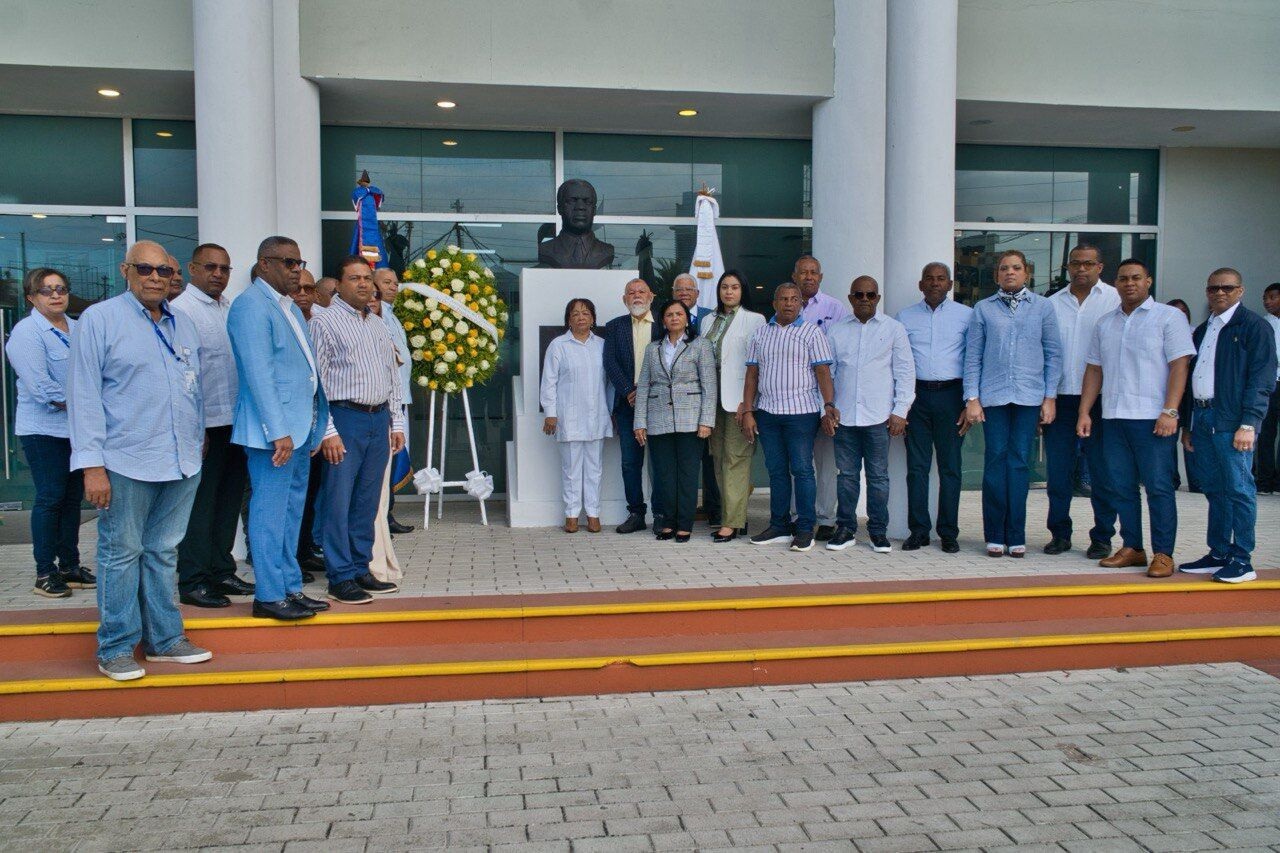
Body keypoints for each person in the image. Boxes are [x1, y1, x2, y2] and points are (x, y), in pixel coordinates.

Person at [68, 240, 212, 681]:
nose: (155, 277)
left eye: (164, 272)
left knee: (163, 551)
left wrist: (198, 434)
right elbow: (84, 394)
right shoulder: (99, 319)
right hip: (126, 459)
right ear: (126, 270)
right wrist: (92, 465)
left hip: (181, 458)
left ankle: (166, 640)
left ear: (173, 277)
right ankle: (115, 647)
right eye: (145, 269)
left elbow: (193, 386)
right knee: (120, 552)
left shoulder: (183, 323)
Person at [228, 238, 331, 620]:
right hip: (274, 435)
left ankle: (290, 587)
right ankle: (268, 595)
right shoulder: (252, 306)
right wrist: (278, 431)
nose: (295, 269)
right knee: (270, 514)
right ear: (264, 264)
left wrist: (313, 426)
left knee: (291, 513)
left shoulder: (286, 306)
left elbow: (304, 373)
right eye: (288, 262)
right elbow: (259, 375)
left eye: (298, 261)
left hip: (299, 430)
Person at [1077, 259, 1194, 578]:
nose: (1129, 283)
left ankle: (1164, 553)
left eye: (1136, 278)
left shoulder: (1169, 318)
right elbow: (1094, 369)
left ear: (1148, 281)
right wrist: (1085, 411)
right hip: (1113, 417)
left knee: (1158, 487)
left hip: (1154, 419)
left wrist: (1170, 410)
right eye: (1123, 279)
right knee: (1121, 487)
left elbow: (1179, 367)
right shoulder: (1105, 323)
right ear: (1116, 283)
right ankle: (1133, 548)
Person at [310, 256, 406, 605]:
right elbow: (315, 382)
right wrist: (327, 431)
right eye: (355, 278)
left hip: (377, 419)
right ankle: (340, 575)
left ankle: (360, 565)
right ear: (340, 283)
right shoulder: (325, 322)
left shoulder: (378, 324)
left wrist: (395, 422)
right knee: (339, 499)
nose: (364, 284)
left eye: (368, 278)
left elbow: (391, 376)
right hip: (344, 418)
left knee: (367, 500)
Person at [1178, 268, 1276, 584]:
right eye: (1213, 288)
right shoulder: (1204, 329)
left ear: (1241, 290)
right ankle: (1218, 553)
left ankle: (1242, 559)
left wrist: (1249, 423)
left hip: (1233, 420)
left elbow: (1261, 379)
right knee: (1215, 489)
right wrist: (1188, 425)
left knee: (1239, 489)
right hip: (1204, 418)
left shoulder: (1254, 327)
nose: (1220, 293)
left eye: (1227, 288)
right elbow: (1194, 378)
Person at [171, 243, 253, 608]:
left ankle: (221, 569)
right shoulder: (180, 311)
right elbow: (183, 377)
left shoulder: (229, 308)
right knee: (200, 505)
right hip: (203, 427)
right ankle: (193, 579)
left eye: (224, 268)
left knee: (228, 501)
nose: (218, 274)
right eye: (210, 267)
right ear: (192, 269)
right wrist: (198, 427)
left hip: (234, 422)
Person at [964, 249, 1062, 558]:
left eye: (1016, 268)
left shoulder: (1043, 308)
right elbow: (972, 356)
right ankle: (994, 534)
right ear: (996, 275)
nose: (1010, 272)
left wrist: (1050, 397)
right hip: (993, 396)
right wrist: (972, 398)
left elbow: (1053, 354)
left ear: (1027, 273)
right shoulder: (983, 309)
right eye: (1004, 268)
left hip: (1028, 396)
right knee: (995, 462)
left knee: (1019, 463)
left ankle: (1016, 534)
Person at [6, 268, 93, 598]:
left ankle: (70, 567)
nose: (56, 295)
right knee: (50, 498)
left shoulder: (77, 327)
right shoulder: (26, 333)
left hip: (75, 430)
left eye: (61, 289)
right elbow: (43, 389)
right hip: (43, 430)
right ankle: (45, 571)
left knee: (72, 500)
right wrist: (88, 403)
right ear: (31, 297)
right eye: (46, 291)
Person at [740, 283, 836, 552]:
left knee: (803, 471)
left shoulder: (812, 333)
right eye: (784, 299)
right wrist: (748, 410)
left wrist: (828, 405)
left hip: (801, 414)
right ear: (774, 303)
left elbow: (823, 373)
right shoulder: (760, 335)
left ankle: (805, 528)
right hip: (768, 413)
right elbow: (752, 376)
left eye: (794, 299)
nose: (789, 303)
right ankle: (779, 525)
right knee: (776, 471)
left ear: (801, 304)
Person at [822, 276, 915, 553]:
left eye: (870, 295)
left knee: (878, 477)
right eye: (859, 295)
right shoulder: (836, 331)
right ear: (850, 298)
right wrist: (825, 409)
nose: (865, 300)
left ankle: (877, 532)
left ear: (878, 298)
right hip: (845, 418)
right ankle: (846, 529)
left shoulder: (894, 329)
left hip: (878, 418)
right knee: (846, 476)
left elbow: (905, 373)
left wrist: (900, 411)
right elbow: (828, 374)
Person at [1044, 244, 1120, 558]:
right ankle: (1059, 534)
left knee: (1102, 474)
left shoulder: (1115, 300)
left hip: (1102, 401)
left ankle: (1102, 536)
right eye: (1075, 263)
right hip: (1060, 399)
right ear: (1067, 266)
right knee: (1058, 473)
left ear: (1100, 267)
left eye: (1088, 263)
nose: (1081, 269)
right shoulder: (1051, 303)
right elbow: (1044, 353)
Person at [896, 262, 972, 553]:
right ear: (920, 284)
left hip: (952, 396)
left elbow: (972, 360)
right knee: (917, 467)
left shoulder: (967, 316)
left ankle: (949, 532)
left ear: (950, 284)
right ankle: (919, 530)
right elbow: (900, 364)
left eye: (941, 279)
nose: (935, 283)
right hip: (917, 397)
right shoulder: (905, 317)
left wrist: (970, 401)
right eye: (929, 279)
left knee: (950, 467)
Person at [635, 300, 717, 541]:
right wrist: (639, 422)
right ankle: (668, 522)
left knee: (688, 474)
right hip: (658, 417)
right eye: (669, 314)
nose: (674, 318)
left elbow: (709, 386)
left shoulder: (700, 345)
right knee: (665, 475)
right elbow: (643, 387)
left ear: (686, 318)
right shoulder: (653, 348)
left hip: (691, 418)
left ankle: (685, 525)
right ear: (663, 320)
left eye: (678, 314)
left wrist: (707, 421)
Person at [701, 270, 765, 542]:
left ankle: (732, 522)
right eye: (724, 287)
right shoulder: (707, 320)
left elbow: (760, 365)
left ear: (743, 290)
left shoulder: (755, 319)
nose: (729, 292)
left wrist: (749, 404)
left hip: (739, 400)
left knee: (736, 459)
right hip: (711, 399)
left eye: (735, 287)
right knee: (718, 460)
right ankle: (731, 516)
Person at [541, 298, 612, 532]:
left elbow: (609, 384)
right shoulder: (558, 345)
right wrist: (550, 414)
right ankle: (571, 514)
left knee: (595, 469)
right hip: (568, 417)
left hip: (597, 416)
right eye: (575, 314)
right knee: (571, 470)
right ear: (568, 319)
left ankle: (593, 514)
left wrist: (610, 411)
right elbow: (548, 383)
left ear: (593, 318)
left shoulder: (602, 345)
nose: (581, 317)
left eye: (585, 313)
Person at [602, 277, 663, 534]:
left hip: (660, 403)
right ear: (624, 299)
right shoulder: (614, 326)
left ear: (651, 296)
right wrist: (628, 391)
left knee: (660, 461)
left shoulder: (664, 323)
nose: (636, 295)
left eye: (641, 291)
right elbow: (610, 362)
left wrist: (648, 392)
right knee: (630, 462)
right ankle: (636, 513)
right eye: (631, 292)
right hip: (628, 404)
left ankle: (662, 514)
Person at [793, 255, 847, 540]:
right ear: (795, 276)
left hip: (824, 398)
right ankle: (798, 515)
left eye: (814, 272)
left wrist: (830, 403)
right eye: (803, 273)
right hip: (794, 400)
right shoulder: (784, 307)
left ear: (821, 277)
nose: (809, 277)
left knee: (826, 463)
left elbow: (836, 357)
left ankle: (826, 518)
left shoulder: (834, 308)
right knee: (798, 463)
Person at [674, 272, 720, 525]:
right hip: (679, 404)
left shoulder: (710, 318)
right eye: (679, 289)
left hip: (709, 398)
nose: (684, 292)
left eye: (689, 288)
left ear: (698, 293)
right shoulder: (665, 317)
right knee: (685, 461)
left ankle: (713, 508)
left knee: (711, 459)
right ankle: (684, 511)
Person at [373, 267, 414, 535]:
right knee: (383, 462)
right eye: (386, 282)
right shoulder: (377, 316)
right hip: (385, 401)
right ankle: (382, 517)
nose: (393, 287)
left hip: (400, 399)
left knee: (391, 458)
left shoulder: (392, 315)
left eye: (396, 283)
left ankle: (388, 514)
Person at [1167, 298, 1201, 493]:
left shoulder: (1197, 332)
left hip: (1192, 393)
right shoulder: (1162, 331)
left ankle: (1197, 481)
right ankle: (1172, 478)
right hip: (1172, 392)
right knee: (1169, 438)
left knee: (1191, 435)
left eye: (1183, 312)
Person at [1255, 283, 1280, 493]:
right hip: (1270, 384)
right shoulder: (1262, 324)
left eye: (1272, 297)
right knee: (1265, 434)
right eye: (1265, 298)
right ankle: (1264, 480)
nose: (1267, 302)